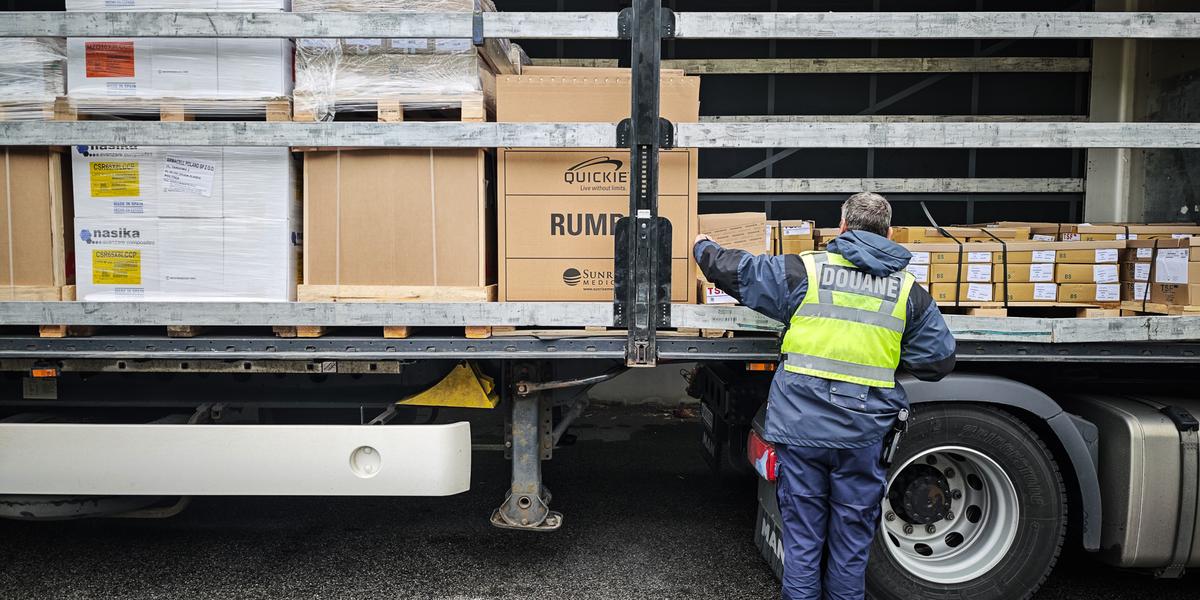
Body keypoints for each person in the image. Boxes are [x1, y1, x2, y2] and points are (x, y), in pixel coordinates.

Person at [693, 192, 956, 600]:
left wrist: (701, 246)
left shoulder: (805, 273)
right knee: (851, 550)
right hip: (863, 433)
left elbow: (739, 273)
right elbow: (938, 361)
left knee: (802, 545)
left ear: (842, 227)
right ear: (888, 233)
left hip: (802, 430)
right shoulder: (909, 293)